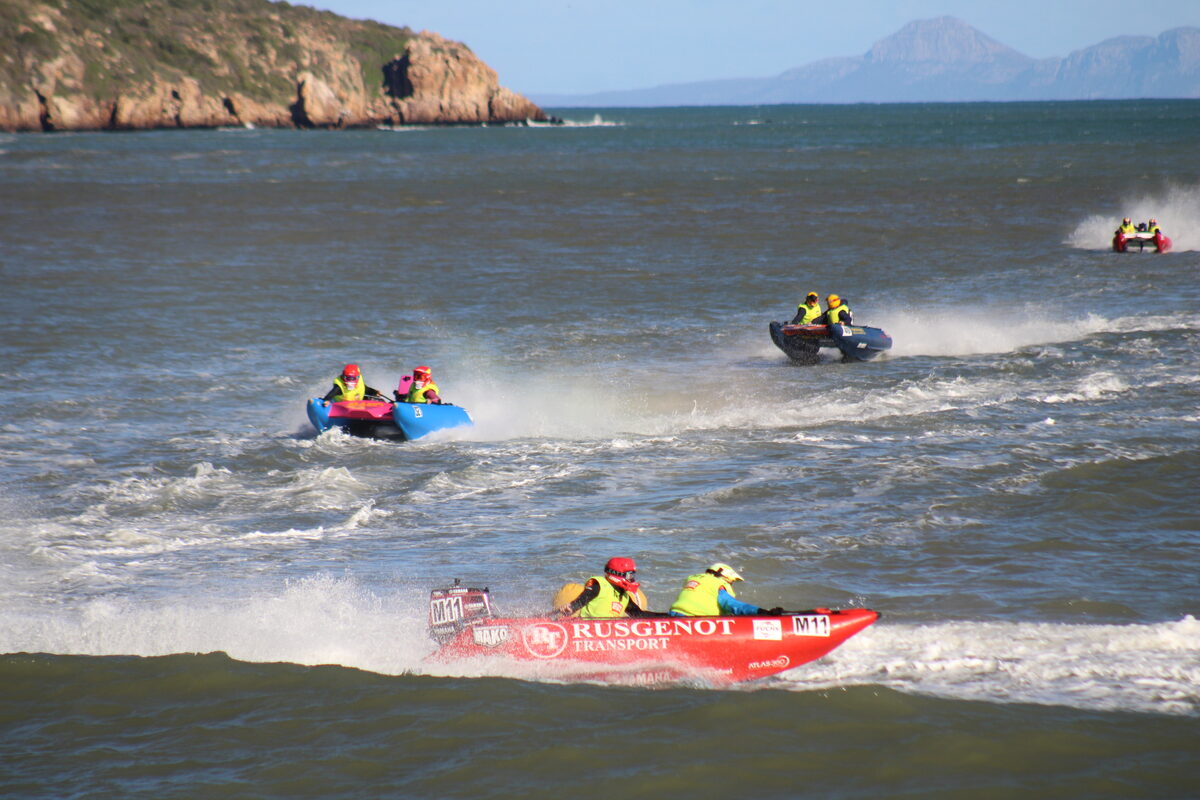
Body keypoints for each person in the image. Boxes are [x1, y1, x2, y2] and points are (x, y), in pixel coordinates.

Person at [555, 557, 662, 619]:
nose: (632, 579)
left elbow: (639, 615)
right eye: (630, 576)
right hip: (588, 630)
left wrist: (667, 616)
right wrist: (571, 607)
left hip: (606, 632)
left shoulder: (623, 596)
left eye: (633, 576)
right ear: (617, 574)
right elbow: (580, 601)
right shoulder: (598, 586)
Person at [669, 563, 783, 617]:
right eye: (731, 582)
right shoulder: (718, 584)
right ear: (725, 577)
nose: (731, 585)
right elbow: (732, 605)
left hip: (673, 615)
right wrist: (762, 612)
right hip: (694, 619)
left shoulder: (692, 579)